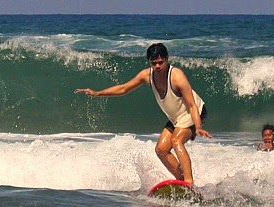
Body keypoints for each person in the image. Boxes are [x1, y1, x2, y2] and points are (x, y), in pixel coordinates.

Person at [76, 43, 211, 185]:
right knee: (161, 150)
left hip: (194, 113)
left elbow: (192, 105)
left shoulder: (176, 76)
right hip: (176, 118)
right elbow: (123, 89)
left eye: (160, 62)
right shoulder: (147, 75)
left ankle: (189, 183)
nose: (157, 66)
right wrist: (97, 93)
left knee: (176, 140)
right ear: (149, 62)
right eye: (154, 63)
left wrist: (198, 126)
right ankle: (181, 181)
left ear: (167, 59)